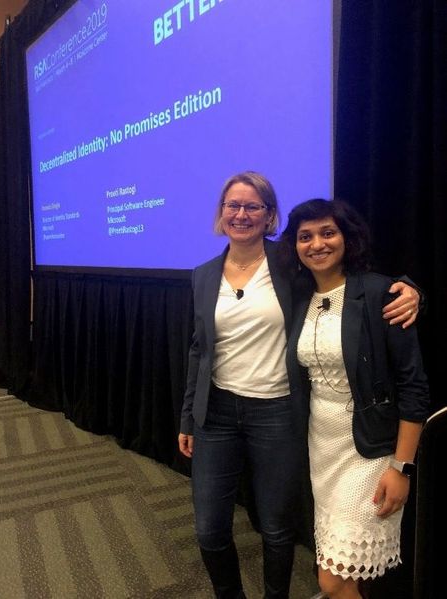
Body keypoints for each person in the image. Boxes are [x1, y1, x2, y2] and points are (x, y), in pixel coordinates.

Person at [178, 172, 421, 599]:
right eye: (233, 205)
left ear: (269, 215)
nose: (241, 214)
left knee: (276, 527)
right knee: (209, 529)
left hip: (277, 412)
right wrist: (187, 416)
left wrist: (412, 290)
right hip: (217, 412)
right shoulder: (203, 275)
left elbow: (353, 284)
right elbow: (200, 350)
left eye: (253, 206)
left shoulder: (289, 263)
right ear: (221, 212)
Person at [280, 198, 430, 599]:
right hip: (321, 447)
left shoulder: (382, 293)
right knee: (338, 572)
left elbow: (414, 386)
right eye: (305, 236)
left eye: (328, 233)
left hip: (370, 450)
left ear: (347, 238)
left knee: (332, 579)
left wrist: (401, 467)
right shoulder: (298, 297)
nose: (317, 244)